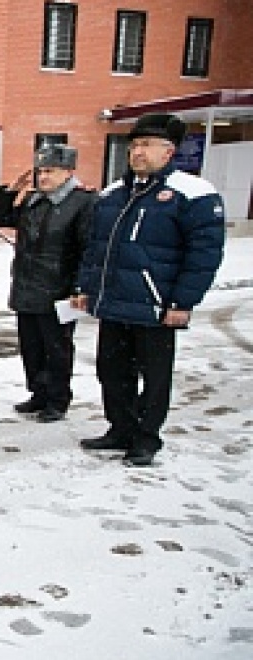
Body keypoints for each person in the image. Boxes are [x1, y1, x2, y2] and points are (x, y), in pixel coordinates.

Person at [73, 113, 225, 468]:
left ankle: (145, 438)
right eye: (134, 145)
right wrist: (85, 287)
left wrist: (182, 301)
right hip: (114, 303)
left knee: (154, 378)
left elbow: (204, 255)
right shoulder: (113, 193)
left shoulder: (193, 193)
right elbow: (95, 248)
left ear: (168, 152)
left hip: (156, 305)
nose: (137, 152)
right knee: (112, 372)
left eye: (146, 145)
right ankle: (120, 429)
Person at [0, 146, 95, 423]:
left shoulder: (83, 202)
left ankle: (57, 399)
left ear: (68, 172)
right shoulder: (34, 200)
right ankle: (38, 393)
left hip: (59, 289)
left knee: (57, 349)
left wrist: (81, 287)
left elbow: (88, 250)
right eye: (40, 171)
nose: (43, 177)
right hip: (27, 285)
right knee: (31, 347)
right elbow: (4, 220)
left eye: (50, 171)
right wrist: (10, 193)